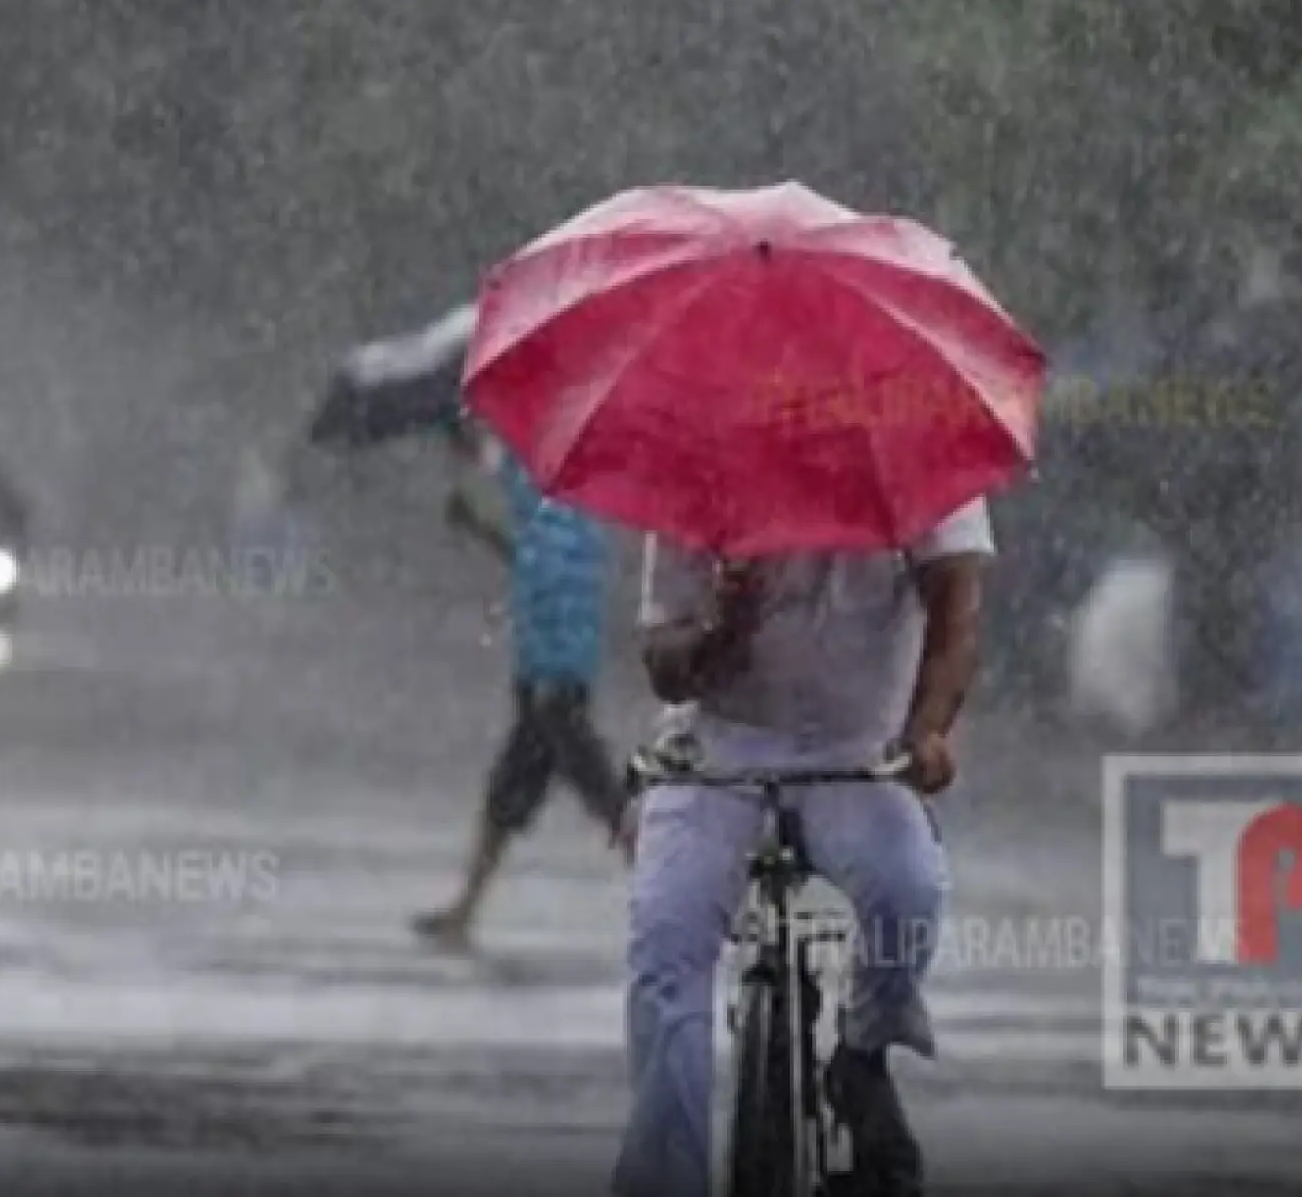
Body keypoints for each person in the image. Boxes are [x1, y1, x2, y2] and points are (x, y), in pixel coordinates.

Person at [611, 498, 994, 1197]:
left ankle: (864, 1052)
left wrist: (929, 729)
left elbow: (956, 607)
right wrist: (718, 629)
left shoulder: (919, 451)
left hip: (859, 747)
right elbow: (664, 665)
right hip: (720, 746)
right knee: (666, 933)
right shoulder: (700, 459)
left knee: (908, 888)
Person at [409, 418, 626, 952]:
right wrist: (479, 526)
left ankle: (688, 910)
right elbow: (531, 564)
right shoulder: (568, 511)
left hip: (553, 683)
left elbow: (548, 574)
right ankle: (464, 910)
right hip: (544, 679)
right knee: (509, 797)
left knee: (610, 802)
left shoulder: (549, 495)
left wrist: (468, 455)